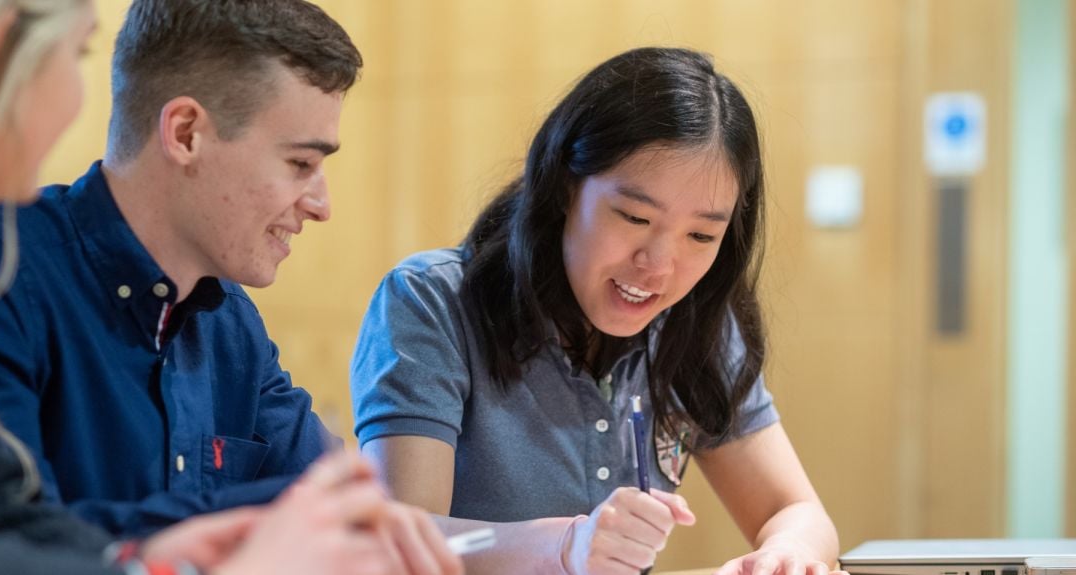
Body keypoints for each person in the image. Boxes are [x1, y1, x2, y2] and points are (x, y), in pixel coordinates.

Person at [0, 1, 456, 574]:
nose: (322, 205)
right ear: (185, 133)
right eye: (300, 164)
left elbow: (339, 503)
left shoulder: (230, 321)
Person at [351, 47, 844, 575]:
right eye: (634, 217)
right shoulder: (431, 302)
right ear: (565, 186)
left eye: (701, 235)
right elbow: (400, 541)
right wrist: (566, 546)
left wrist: (789, 553)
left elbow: (793, 511)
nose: (658, 266)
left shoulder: (697, 324)